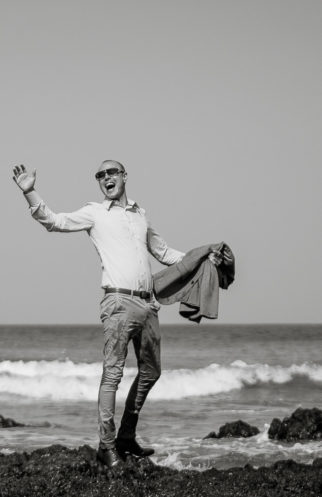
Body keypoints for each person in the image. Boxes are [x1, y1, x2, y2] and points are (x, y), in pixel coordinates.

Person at [12, 159, 219, 469]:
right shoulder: (95, 213)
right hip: (118, 303)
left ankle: (126, 437)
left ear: (124, 176)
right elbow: (54, 221)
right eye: (100, 175)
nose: (106, 178)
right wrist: (30, 192)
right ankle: (106, 446)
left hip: (148, 305)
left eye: (111, 172)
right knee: (113, 375)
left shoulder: (140, 215)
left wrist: (203, 258)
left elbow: (164, 253)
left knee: (151, 372)